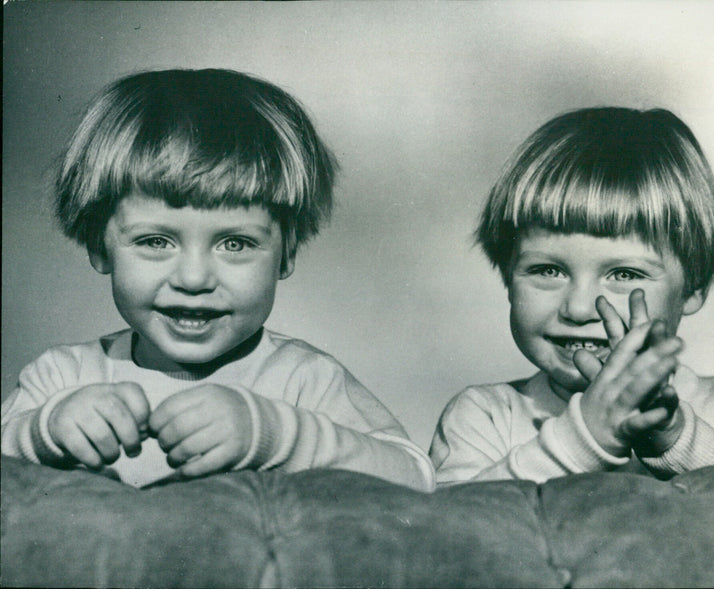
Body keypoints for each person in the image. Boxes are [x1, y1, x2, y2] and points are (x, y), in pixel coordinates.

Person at [1, 68, 434, 491]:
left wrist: (277, 436)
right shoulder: (63, 378)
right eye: (155, 241)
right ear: (99, 247)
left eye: (235, 244)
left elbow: (417, 478)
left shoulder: (305, 381)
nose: (194, 279)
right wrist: (43, 434)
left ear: (286, 255)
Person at [430, 107, 714, 484]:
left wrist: (676, 439)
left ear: (694, 287)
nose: (578, 309)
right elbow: (458, 521)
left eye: (624, 274)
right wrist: (585, 439)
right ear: (508, 276)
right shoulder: (486, 417)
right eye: (547, 270)